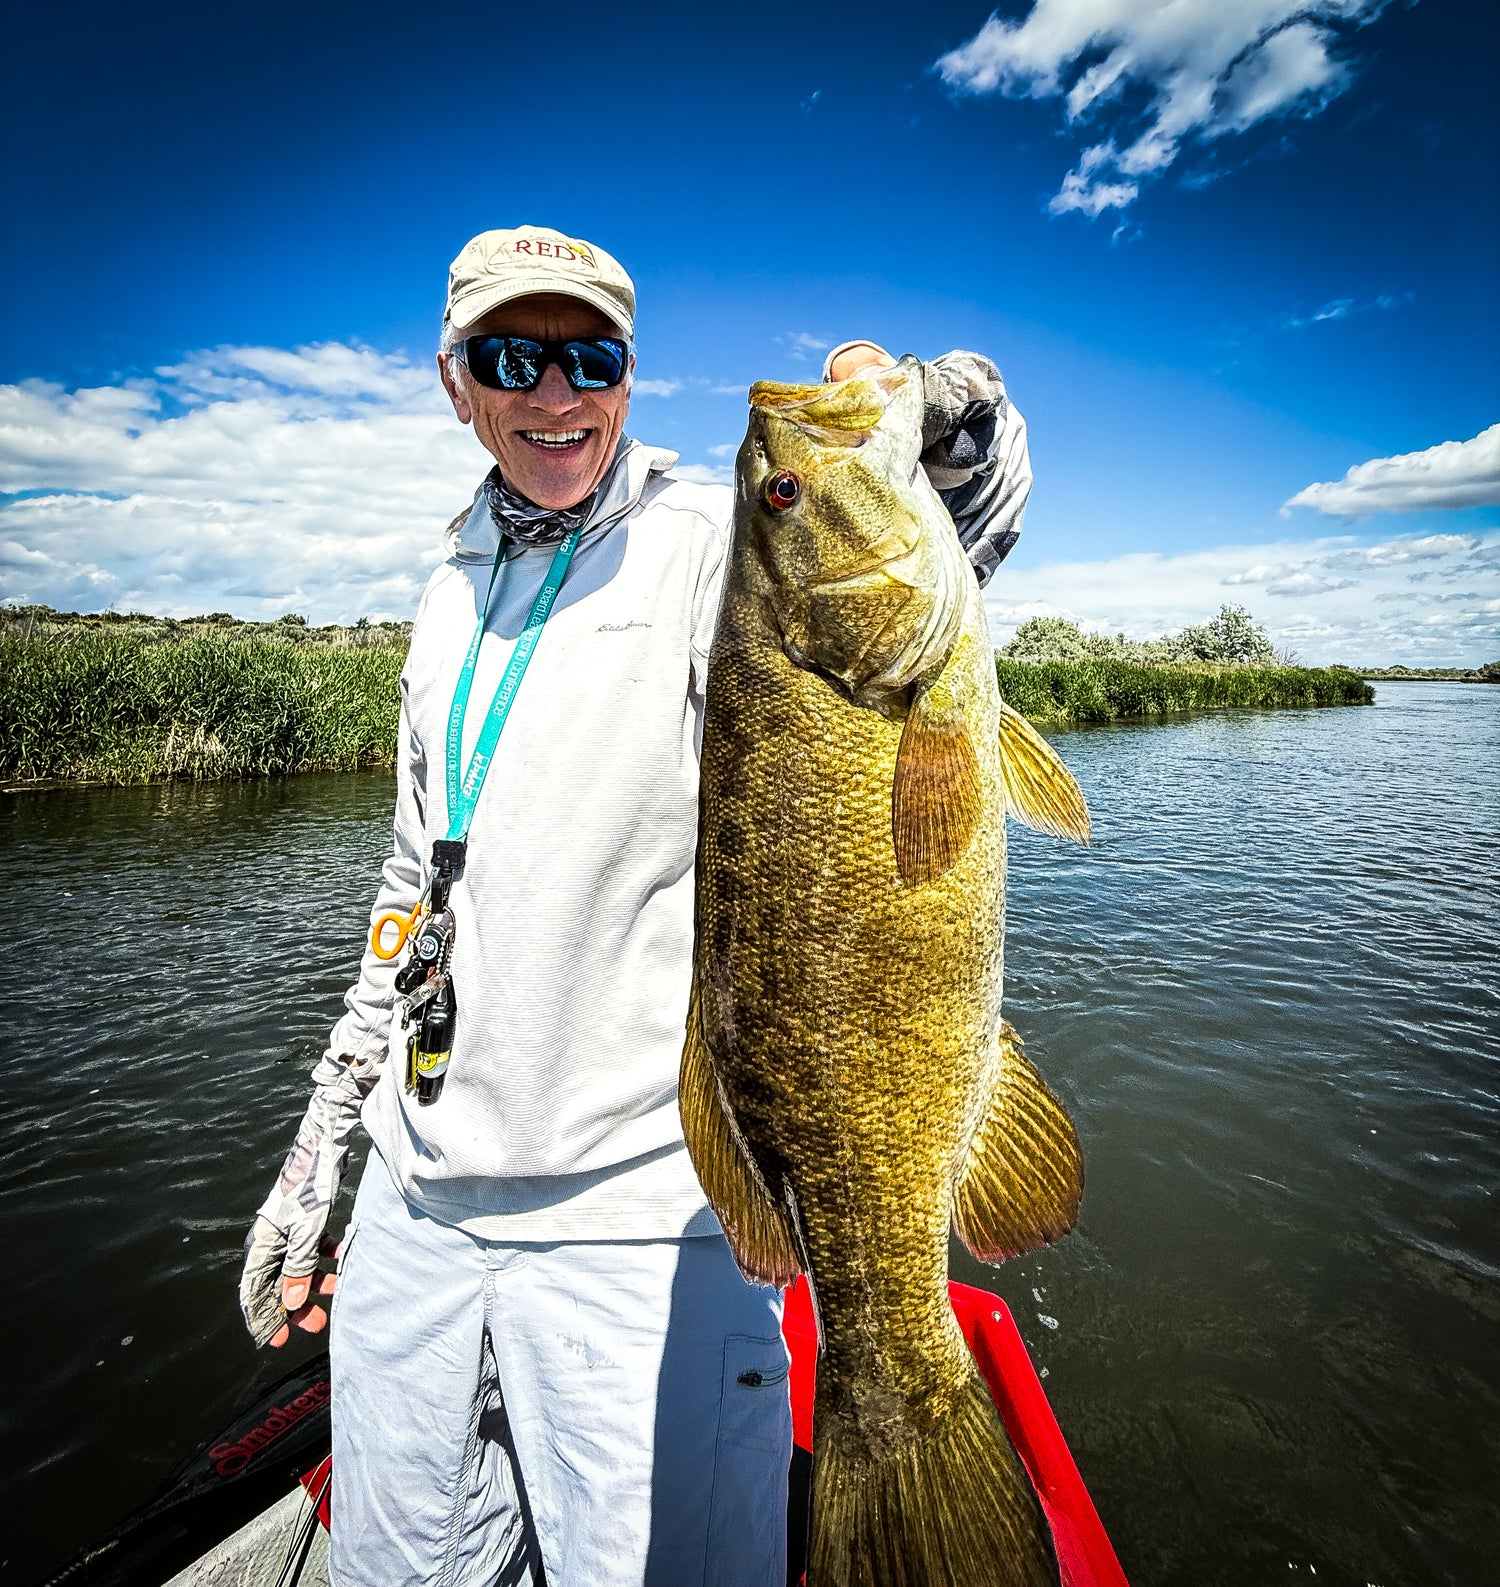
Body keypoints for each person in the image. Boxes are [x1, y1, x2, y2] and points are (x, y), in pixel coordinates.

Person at [238, 224, 1033, 1587]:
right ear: (457, 383)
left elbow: (963, 517)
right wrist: (322, 1157)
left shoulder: (704, 539)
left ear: (626, 370)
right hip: (418, 1216)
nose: (556, 395)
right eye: (514, 356)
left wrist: (942, 404)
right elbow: (411, 883)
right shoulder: (443, 589)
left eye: (590, 357)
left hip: (634, 1220)